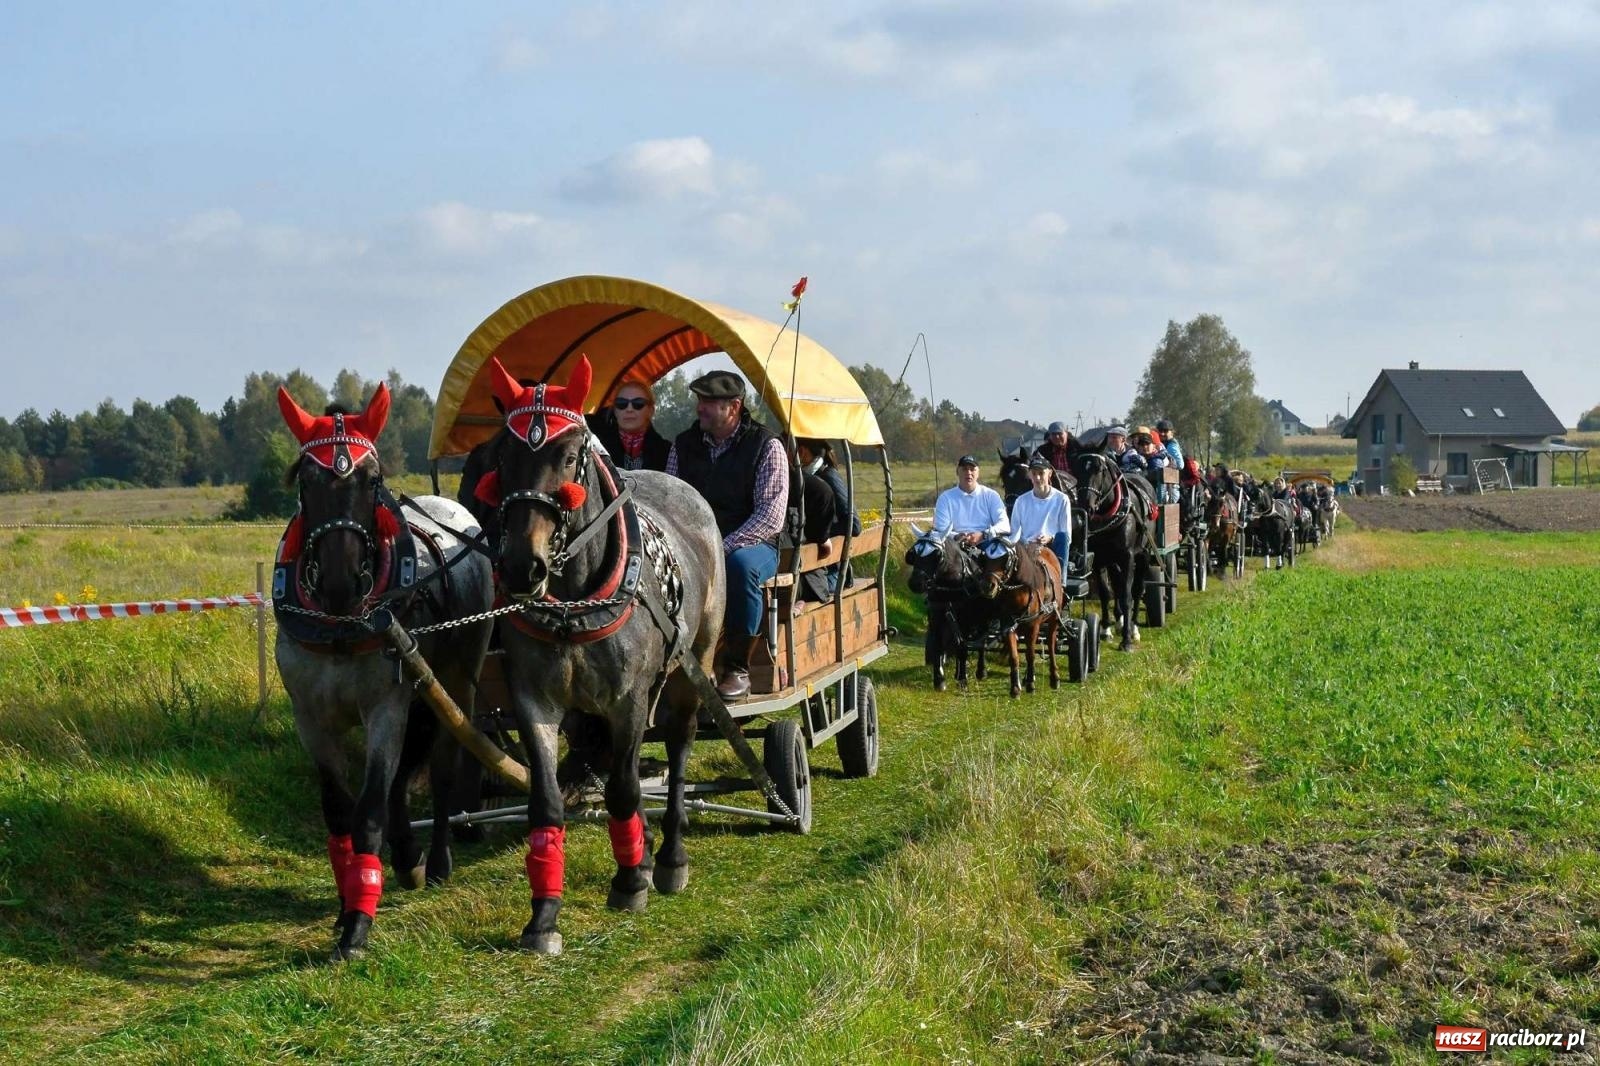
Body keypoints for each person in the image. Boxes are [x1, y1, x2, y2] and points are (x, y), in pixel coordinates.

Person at [666, 370, 787, 699]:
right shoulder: (684, 444)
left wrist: (721, 548)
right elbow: (669, 500)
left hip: (752, 543)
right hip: (693, 541)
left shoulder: (766, 446)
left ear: (734, 407)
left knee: (740, 567)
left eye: (708, 402)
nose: (699, 408)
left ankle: (737, 668)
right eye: (699, 400)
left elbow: (770, 516)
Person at [795, 437, 859, 601]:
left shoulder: (827, 476)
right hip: (813, 566)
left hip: (831, 573)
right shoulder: (803, 479)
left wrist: (818, 533)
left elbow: (854, 525)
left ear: (801, 452)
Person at [587, 379, 670, 472]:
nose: (629, 409)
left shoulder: (667, 452)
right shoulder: (596, 447)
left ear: (651, 410)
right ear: (615, 411)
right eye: (621, 404)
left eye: (638, 404)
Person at [1009, 454, 1071, 571]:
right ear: (1029, 475)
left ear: (1049, 474)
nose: (1037, 478)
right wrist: (1028, 544)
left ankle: (1062, 582)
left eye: (1041, 473)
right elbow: (1015, 533)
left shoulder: (1062, 499)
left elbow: (1066, 533)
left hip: (1052, 547)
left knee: (1063, 537)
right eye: (1034, 474)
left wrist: (1049, 538)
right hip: (1027, 548)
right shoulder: (1021, 501)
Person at [932, 454, 1009, 545]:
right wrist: (957, 536)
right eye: (964, 469)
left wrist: (983, 535)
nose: (968, 473)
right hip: (955, 546)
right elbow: (940, 528)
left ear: (978, 473)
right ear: (957, 472)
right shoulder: (945, 498)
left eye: (972, 469)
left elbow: (1004, 525)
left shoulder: (991, 495)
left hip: (986, 544)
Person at [1031, 421, 1075, 488]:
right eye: (1053, 434)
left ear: (1066, 434)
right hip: (1050, 488)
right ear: (1050, 436)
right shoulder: (1042, 452)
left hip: (1075, 488)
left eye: (1060, 433)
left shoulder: (1077, 450)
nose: (1057, 437)